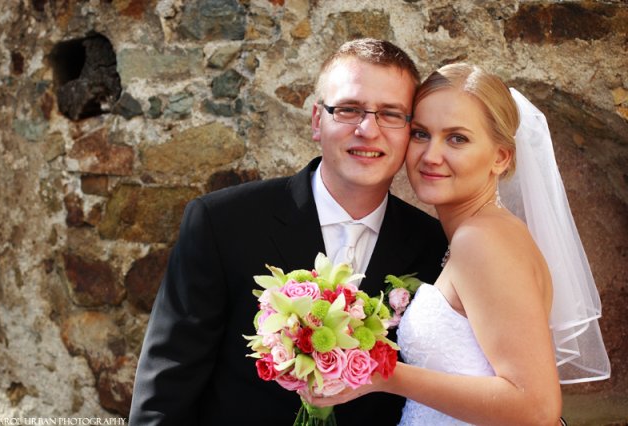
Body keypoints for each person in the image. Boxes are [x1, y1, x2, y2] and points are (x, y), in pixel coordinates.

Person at [128, 38, 447, 425]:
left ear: (410, 131)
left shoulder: (434, 246)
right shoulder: (221, 223)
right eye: (349, 109)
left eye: (391, 114)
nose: (368, 129)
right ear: (316, 120)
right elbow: (165, 391)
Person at [301, 63, 611, 425]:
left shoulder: (484, 242)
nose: (431, 156)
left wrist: (382, 374)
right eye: (421, 134)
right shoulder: (469, 235)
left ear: (501, 157)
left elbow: (536, 409)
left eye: (457, 139)